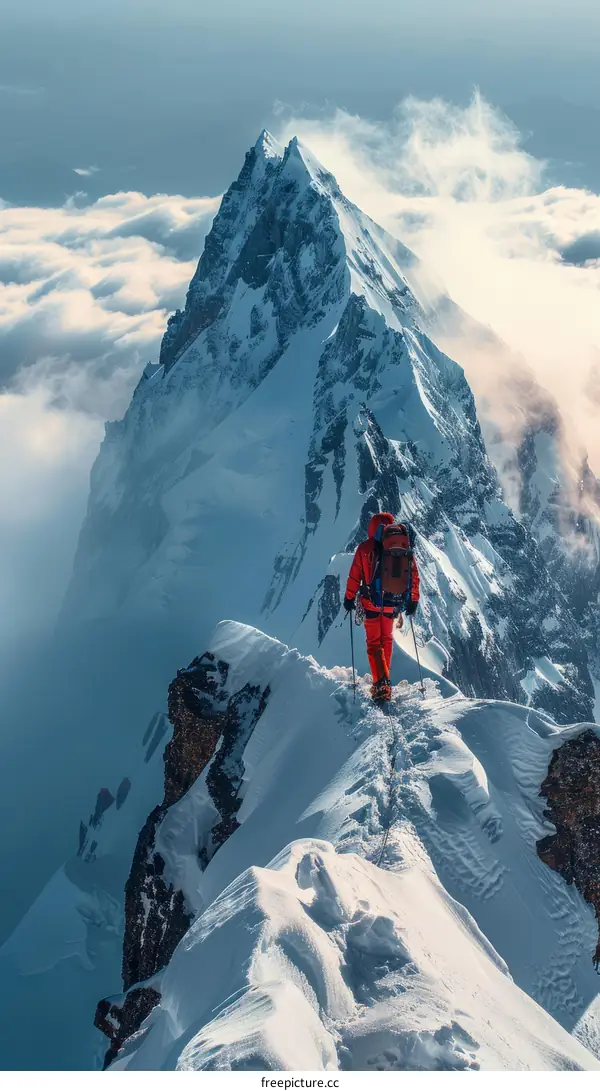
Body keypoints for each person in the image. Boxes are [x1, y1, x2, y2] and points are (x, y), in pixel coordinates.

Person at [343, 512, 420, 701]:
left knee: (373, 644)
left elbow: (355, 576)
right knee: (386, 640)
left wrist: (349, 598)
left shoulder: (364, 548)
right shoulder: (402, 548)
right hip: (392, 604)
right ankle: (385, 680)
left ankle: (381, 685)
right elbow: (414, 575)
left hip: (371, 603)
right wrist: (413, 600)